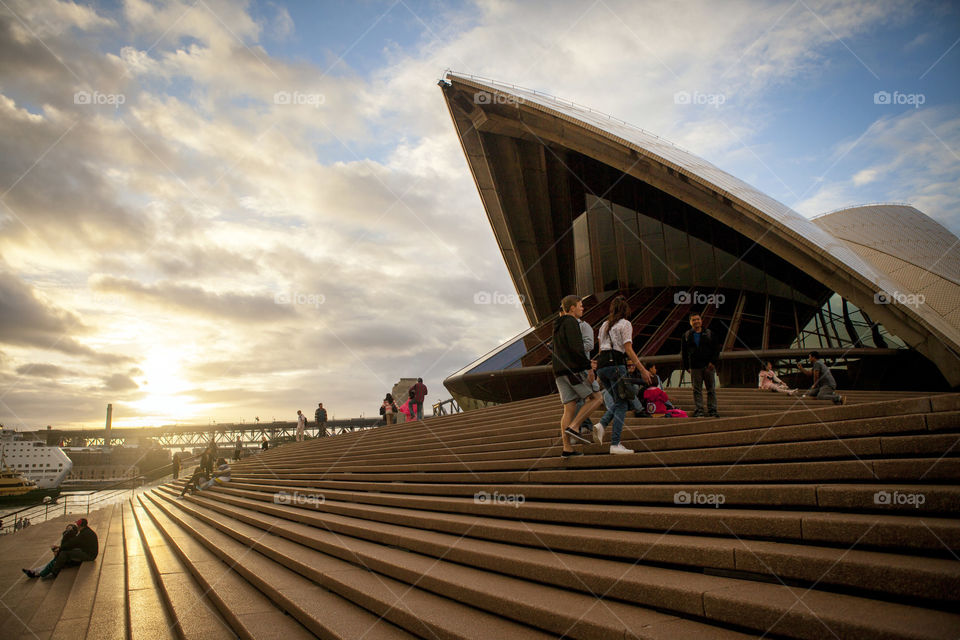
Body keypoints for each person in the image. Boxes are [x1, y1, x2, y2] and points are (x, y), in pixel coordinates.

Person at [592, 295, 653, 454]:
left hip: (602, 366)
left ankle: (602, 425)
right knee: (623, 403)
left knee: (619, 402)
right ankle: (615, 444)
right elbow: (628, 349)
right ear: (625, 310)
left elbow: (599, 350)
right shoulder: (625, 324)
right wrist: (642, 369)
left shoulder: (604, 325)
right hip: (616, 365)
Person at [551, 295, 608, 459]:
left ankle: (567, 448)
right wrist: (587, 365)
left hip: (559, 372)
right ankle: (575, 426)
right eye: (580, 305)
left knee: (569, 408)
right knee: (597, 398)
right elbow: (576, 348)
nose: (583, 308)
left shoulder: (558, 325)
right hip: (573, 370)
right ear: (571, 308)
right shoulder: (571, 323)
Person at [24, 518, 97, 579]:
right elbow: (73, 543)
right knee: (58, 558)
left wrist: (60, 548)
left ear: (81, 526)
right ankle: (37, 571)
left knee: (63, 554)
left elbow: (73, 543)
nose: (77, 526)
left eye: (77, 525)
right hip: (87, 552)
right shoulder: (85, 532)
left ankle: (52, 572)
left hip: (89, 555)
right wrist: (60, 547)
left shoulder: (84, 534)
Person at [681, 312, 720, 418]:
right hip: (694, 366)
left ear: (701, 321)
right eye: (693, 320)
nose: (696, 321)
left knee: (711, 389)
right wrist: (686, 366)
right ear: (690, 322)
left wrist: (713, 362)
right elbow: (684, 352)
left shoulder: (709, 333)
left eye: (698, 319)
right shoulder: (686, 335)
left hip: (708, 366)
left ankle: (712, 410)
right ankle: (699, 410)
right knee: (697, 390)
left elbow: (716, 350)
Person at [574, 315, 600, 437]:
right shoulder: (565, 328)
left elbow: (589, 345)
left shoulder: (583, 326)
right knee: (578, 399)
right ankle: (581, 426)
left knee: (595, 396)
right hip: (573, 369)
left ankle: (582, 425)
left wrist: (570, 348)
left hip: (582, 368)